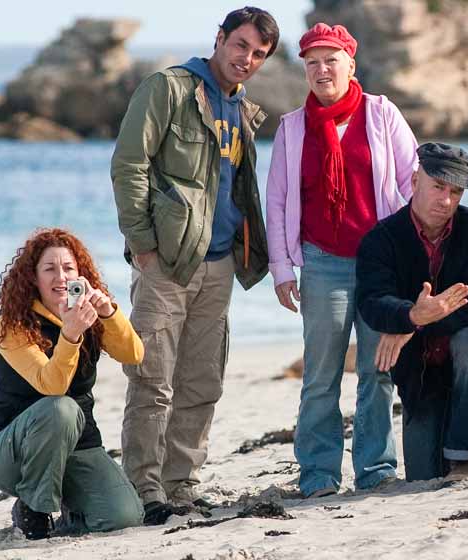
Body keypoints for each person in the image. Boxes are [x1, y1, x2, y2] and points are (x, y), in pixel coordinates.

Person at [109, 7, 278, 525]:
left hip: (221, 264)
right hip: (166, 265)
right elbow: (129, 164)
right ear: (220, 38)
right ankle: (146, 489)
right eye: (241, 46)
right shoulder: (169, 88)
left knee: (202, 383)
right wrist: (143, 247)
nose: (247, 59)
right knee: (152, 382)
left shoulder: (242, 108)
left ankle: (181, 486)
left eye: (259, 55)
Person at [264, 22, 419, 497]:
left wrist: (415, 257)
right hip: (321, 262)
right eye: (312, 63)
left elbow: (413, 179)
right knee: (321, 374)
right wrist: (281, 268)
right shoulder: (293, 128)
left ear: (351, 64)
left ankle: (376, 470)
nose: (322, 70)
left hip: (380, 265)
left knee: (377, 370)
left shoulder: (381, 113)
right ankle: (319, 474)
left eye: (331, 60)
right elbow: (277, 200)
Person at [355, 143, 468, 482]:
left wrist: (419, 321)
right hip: (420, 370)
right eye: (438, 187)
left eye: (456, 191)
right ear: (414, 181)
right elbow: (371, 301)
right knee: (423, 475)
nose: (446, 200)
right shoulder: (382, 238)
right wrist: (412, 315)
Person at [0, 228, 144, 539]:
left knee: (124, 516)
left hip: (77, 446)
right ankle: (33, 508)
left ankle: (71, 512)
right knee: (61, 409)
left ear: (80, 275)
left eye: (68, 268)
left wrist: (108, 312)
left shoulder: (87, 313)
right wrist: (70, 336)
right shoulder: (12, 322)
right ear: (33, 277)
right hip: (13, 453)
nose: (61, 277)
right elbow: (52, 386)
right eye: (50, 269)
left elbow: (133, 353)